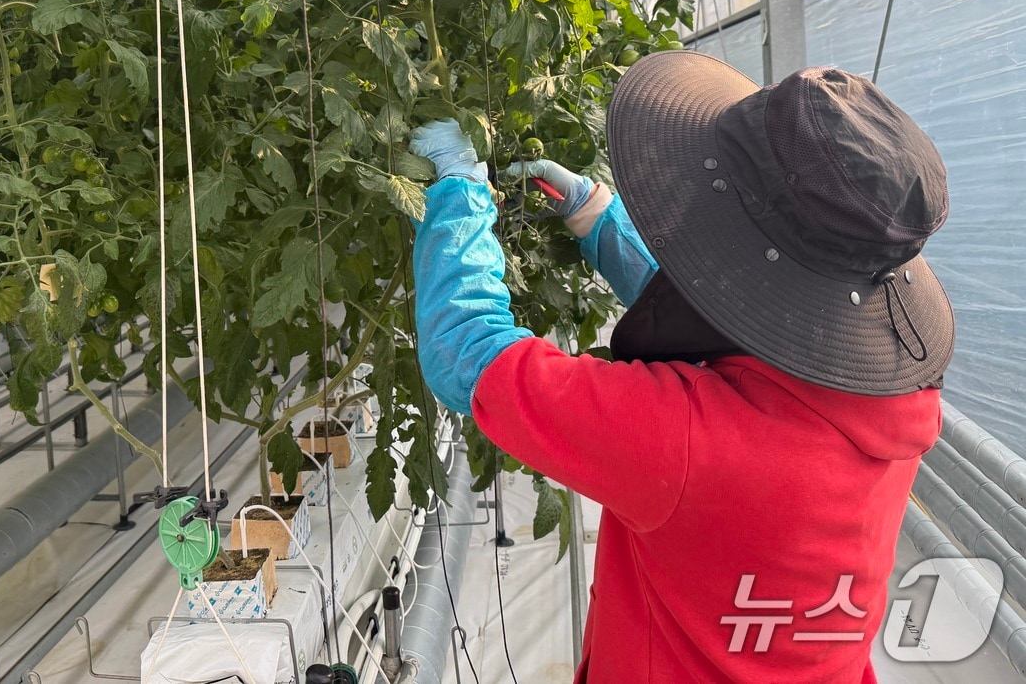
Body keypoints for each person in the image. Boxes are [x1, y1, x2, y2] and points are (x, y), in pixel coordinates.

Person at [408, 51, 954, 684]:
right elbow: (743, 326)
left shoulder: (690, 444)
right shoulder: (894, 401)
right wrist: (597, 219)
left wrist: (457, 192)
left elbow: (467, 350)